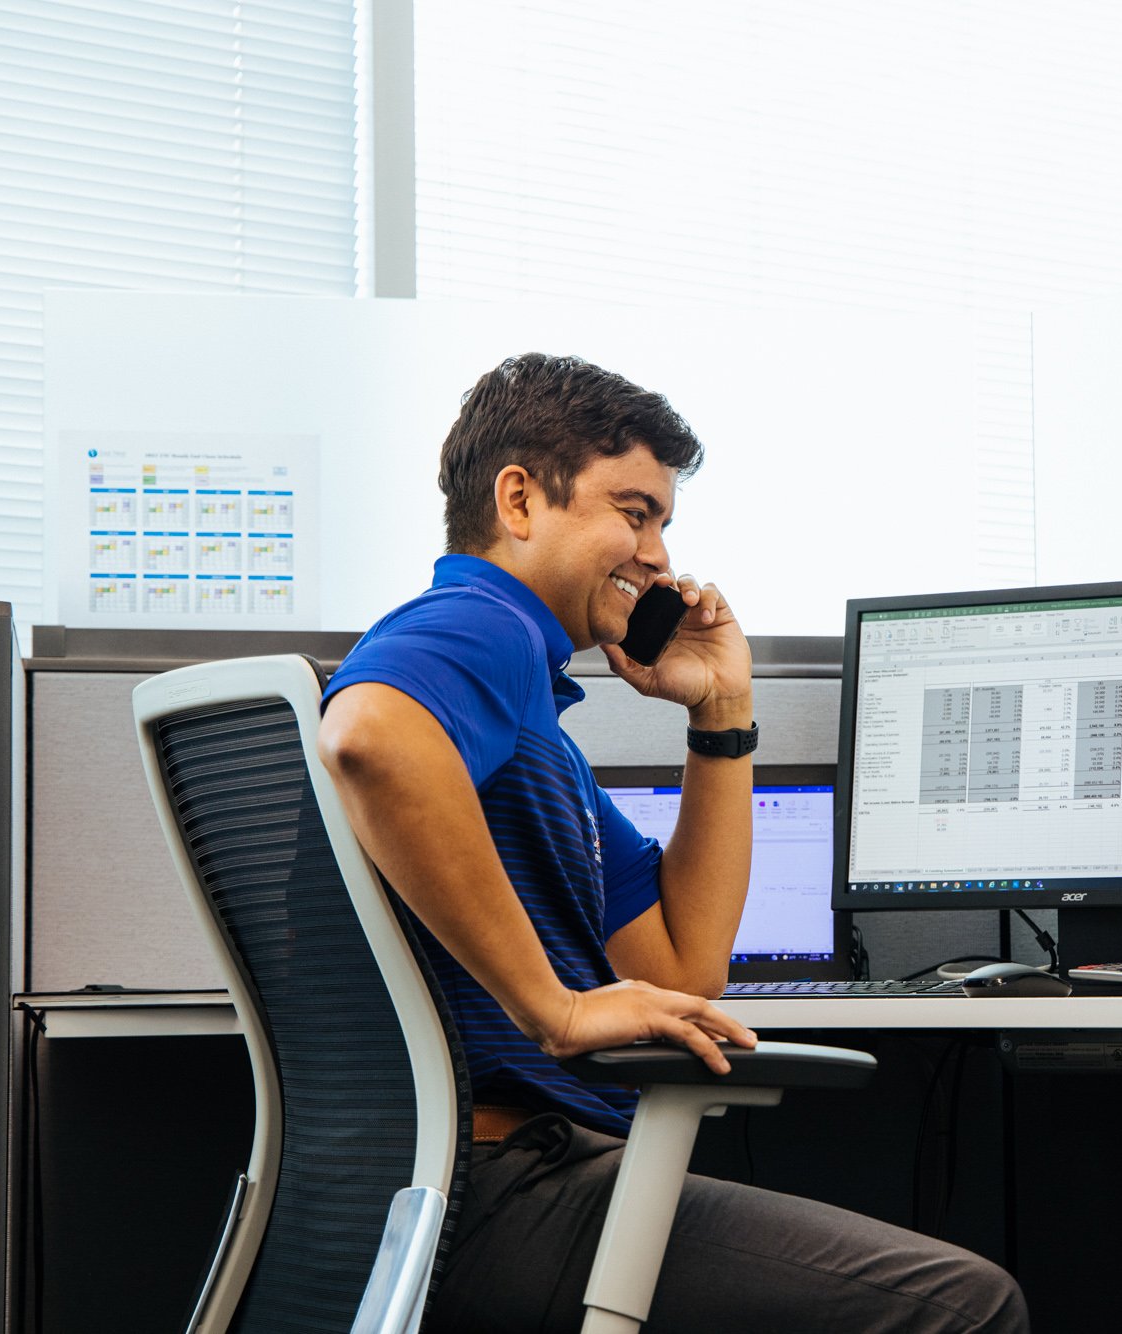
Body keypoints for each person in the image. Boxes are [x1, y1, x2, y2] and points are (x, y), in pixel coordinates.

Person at [319, 353, 1028, 1332]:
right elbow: (367, 737)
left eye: (662, 521)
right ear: (519, 499)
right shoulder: (482, 619)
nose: (657, 554)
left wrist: (722, 709)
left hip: (436, 1192)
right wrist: (557, 1010)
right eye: (633, 510)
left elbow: (685, 968)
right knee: (964, 1304)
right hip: (500, 1186)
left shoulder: (534, 735)